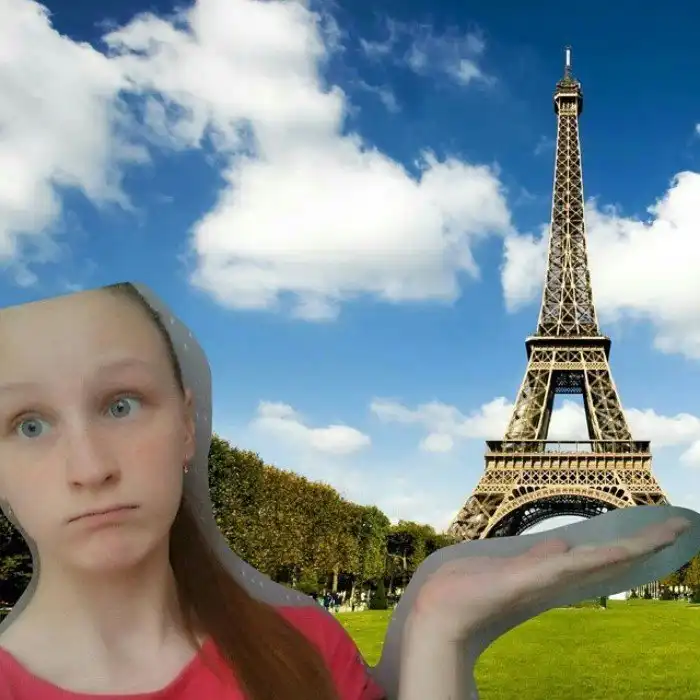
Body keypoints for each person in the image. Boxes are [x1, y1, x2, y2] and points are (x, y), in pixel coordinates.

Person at [0, 283, 690, 700]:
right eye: (28, 424)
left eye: (121, 404)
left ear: (187, 425)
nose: (89, 466)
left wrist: (439, 628)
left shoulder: (305, 651)